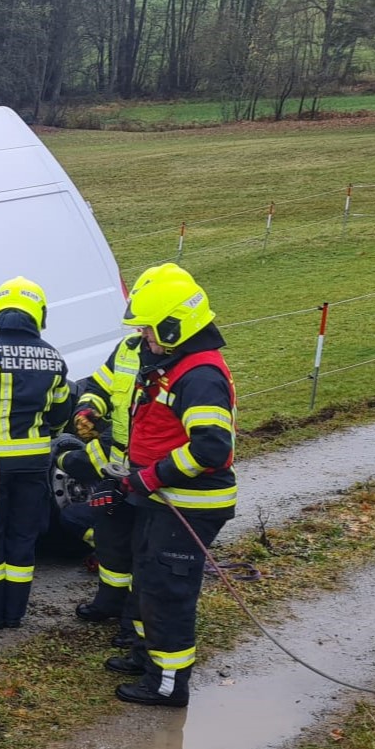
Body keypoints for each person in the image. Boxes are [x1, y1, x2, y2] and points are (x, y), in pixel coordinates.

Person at [96, 264, 237, 707]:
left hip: (187, 505)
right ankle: (146, 656)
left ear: (176, 327)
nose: (146, 339)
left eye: (151, 331)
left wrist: (152, 475)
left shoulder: (199, 377)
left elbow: (211, 448)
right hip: (161, 500)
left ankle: (168, 683)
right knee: (147, 579)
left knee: (167, 593)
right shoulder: (173, 366)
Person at [0, 277, 73, 629]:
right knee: (23, 536)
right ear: (38, 314)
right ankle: (14, 613)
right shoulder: (53, 356)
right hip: (36, 461)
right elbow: (59, 413)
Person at [59, 329, 149, 646]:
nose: (143, 333)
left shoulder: (176, 364)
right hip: (120, 470)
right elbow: (99, 385)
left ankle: (133, 622)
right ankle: (109, 602)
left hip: (151, 475)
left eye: (148, 326)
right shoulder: (128, 348)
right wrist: (88, 409)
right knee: (111, 538)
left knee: (144, 551)